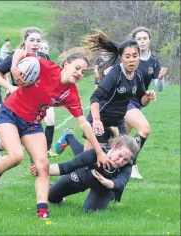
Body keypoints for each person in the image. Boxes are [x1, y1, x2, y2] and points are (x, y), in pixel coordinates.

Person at [0, 43, 111, 219]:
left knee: (42, 165)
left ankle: (42, 212)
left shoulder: (71, 94)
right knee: (15, 155)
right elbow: (20, 52)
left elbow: (83, 123)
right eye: (77, 68)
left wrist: (99, 151)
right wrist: (14, 68)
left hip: (32, 123)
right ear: (66, 64)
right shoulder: (45, 66)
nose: (79, 73)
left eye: (83, 72)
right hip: (10, 114)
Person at [80, 30, 157, 150]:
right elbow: (95, 97)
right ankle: (69, 138)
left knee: (121, 155)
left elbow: (142, 102)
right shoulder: (115, 74)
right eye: (127, 56)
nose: (131, 60)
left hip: (118, 122)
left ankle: (131, 166)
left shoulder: (137, 75)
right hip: (101, 119)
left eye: (135, 56)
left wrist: (147, 96)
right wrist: (96, 120)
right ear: (121, 58)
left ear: (139, 57)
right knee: (88, 161)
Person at [31, 135, 140, 212]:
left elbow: (120, 184)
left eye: (125, 159)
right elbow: (67, 167)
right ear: (114, 147)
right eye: (120, 156)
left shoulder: (127, 166)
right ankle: (54, 187)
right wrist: (41, 169)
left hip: (105, 188)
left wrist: (107, 182)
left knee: (90, 211)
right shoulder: (95, 154)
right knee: (51, 197)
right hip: (83, 177)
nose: (121, 161)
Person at [0, 28, 56, 158]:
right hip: (16, 105)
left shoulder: (44, 58)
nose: (35, 44)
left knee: (31, 140)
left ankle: (37, 167)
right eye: (31, 40)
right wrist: (10, 87)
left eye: (38, 41)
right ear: (25, 41)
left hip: (35, 108)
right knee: (7, 143)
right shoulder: (17, 56)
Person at [124, 26, 168, 179]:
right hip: (124, 101)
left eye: (144, 38)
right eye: (139, 38)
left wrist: (161, 78)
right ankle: (131, 165)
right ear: (134, 41)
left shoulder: (154, 61)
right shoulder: (129, 57)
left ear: (149, 40)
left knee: (118, 136)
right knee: (144, 128)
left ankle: (71, 140)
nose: (142, 41)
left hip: (138, 103)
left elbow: (160, 88)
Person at [38, 40, 58, 157]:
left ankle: (47, 149)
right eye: (42, 48)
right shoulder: (34, 63)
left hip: (47, 98)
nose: (44, 50)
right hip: (34, 99)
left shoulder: (51, 65)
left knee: (50, 122)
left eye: (46, 48)